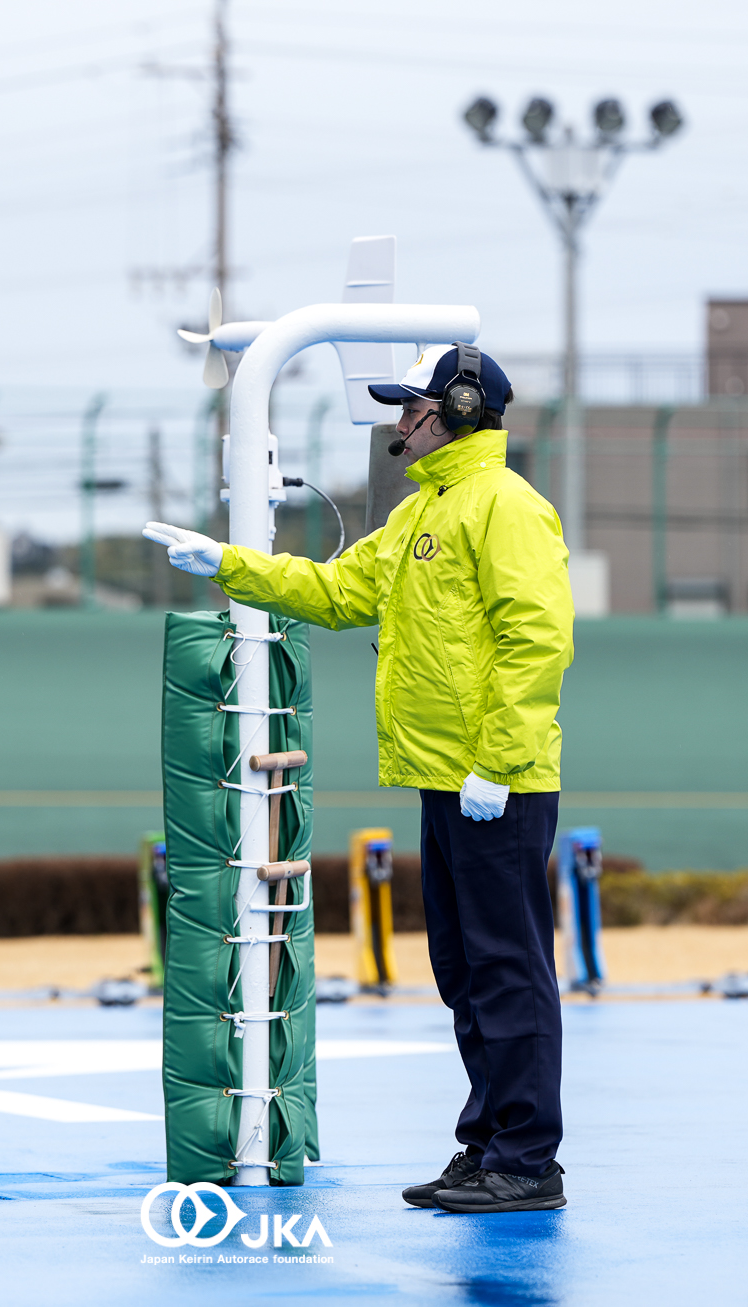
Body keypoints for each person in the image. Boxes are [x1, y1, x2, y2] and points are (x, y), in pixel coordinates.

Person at [143, 344, 574, 1214]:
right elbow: (337, 591)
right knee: (464, 969)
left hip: (497, 782)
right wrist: (226, 563)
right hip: (446, 777)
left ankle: (528, 1160)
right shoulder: (431, 511)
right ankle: (489, 1145)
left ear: (452, 407)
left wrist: (497, 760)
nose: (396, 419)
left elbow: (538, 641)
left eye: (408, 404)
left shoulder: (505, 508)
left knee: (508, 969)